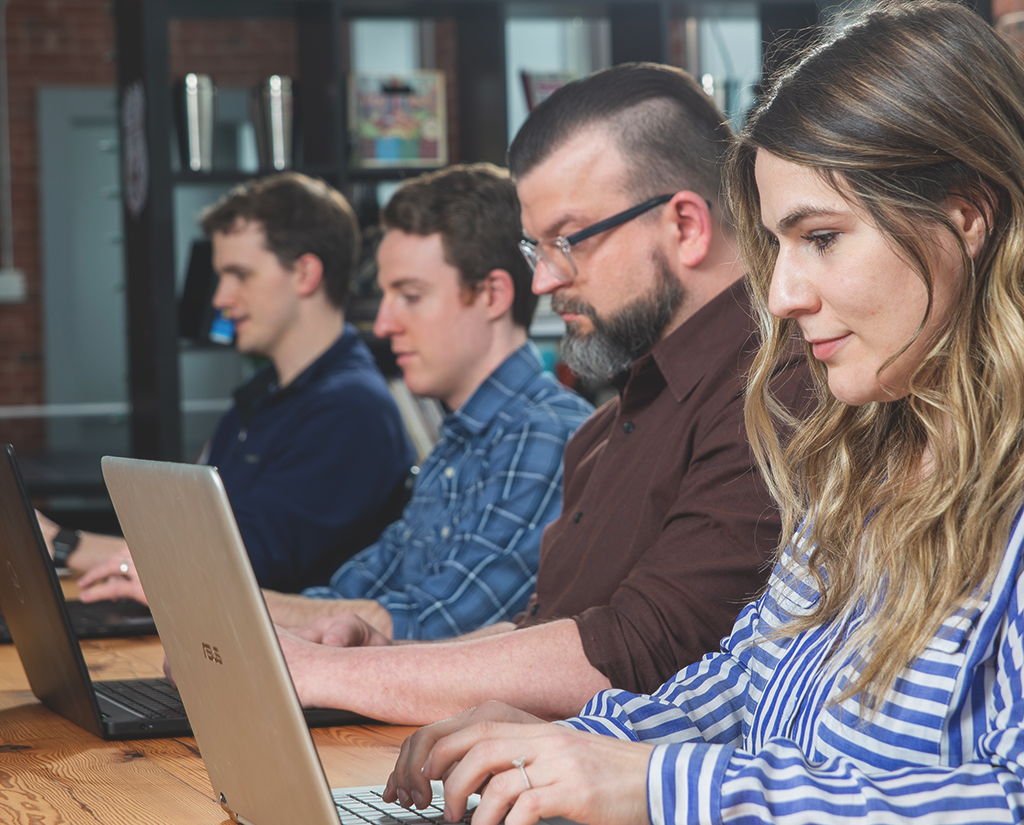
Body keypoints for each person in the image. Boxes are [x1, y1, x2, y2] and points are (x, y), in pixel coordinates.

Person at [385, 0, 1024, 825]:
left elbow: (1012, 820)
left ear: (968, 217)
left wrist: (660, 786)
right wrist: (578, 743)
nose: (787, 294)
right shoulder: (863, 454)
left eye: (823, 238)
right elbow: (745, 682)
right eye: (777, 244)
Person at [274, 63, 807, 722]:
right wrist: (377, 652)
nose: (544, 282)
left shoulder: (773, 390)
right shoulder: (606, 428)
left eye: (568, 241)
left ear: (686, 227)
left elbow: (638, 653)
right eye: (537, 249)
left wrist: (328, 674)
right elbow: (544, 631)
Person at [252, 163, 592, 639]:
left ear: (492, 294)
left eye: (410, 295)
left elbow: (435, 623)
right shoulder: (458, 440)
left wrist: (233, 609)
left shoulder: (548, 434)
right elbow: (356, 591)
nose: (385, 323)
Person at [72, 172, 415, 594]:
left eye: (240, 275)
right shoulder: (260, 397)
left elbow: (240, 564)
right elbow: (192, 537)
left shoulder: (352, 409)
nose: (220, 298)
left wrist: (65, 545)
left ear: (305, 274)